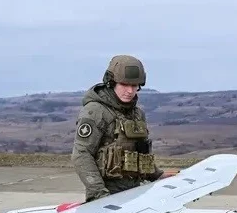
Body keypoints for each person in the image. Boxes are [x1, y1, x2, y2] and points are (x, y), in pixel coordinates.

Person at [71, 54, 174, 202]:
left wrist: (157, 175)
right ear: (111, 82)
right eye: (125, 85)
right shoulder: (96, 111)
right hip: (108, 195)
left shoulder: (137, 114)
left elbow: (140, 154)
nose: (130, 91)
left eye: (134, 86)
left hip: (136, 192)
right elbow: (82, 154)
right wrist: (100, 195)